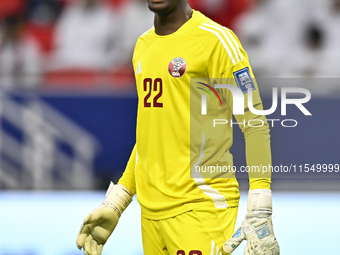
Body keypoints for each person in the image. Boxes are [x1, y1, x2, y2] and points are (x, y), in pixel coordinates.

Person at [76, 1, 280, 255]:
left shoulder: (216, 41)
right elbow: (150, 136)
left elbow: (255, 124)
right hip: (151, 215)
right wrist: (118, 199)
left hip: (201, 207)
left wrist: (260, 207)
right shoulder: (143, 46)